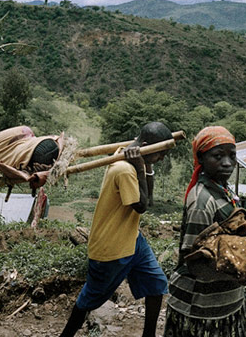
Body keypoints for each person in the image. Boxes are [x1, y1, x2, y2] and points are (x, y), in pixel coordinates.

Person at [59, 122, 173, 337]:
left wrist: (145, 167)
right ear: (145, 147)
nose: (161, 159)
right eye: (161, 154)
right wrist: (141, 168)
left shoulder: (128, 156)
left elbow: (148, 199)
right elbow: (142, 206)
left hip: (132, 240)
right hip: (111, 247)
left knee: (156, 284)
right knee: (89, 300)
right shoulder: (124, 169)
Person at [164, 126, 246, 337]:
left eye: (232, 156)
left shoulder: (224, 190)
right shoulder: (202, 202)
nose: (227, 163)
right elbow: (195, 264)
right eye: (218, 156)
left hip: (227, 300)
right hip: (201, 308)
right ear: (201, 158)